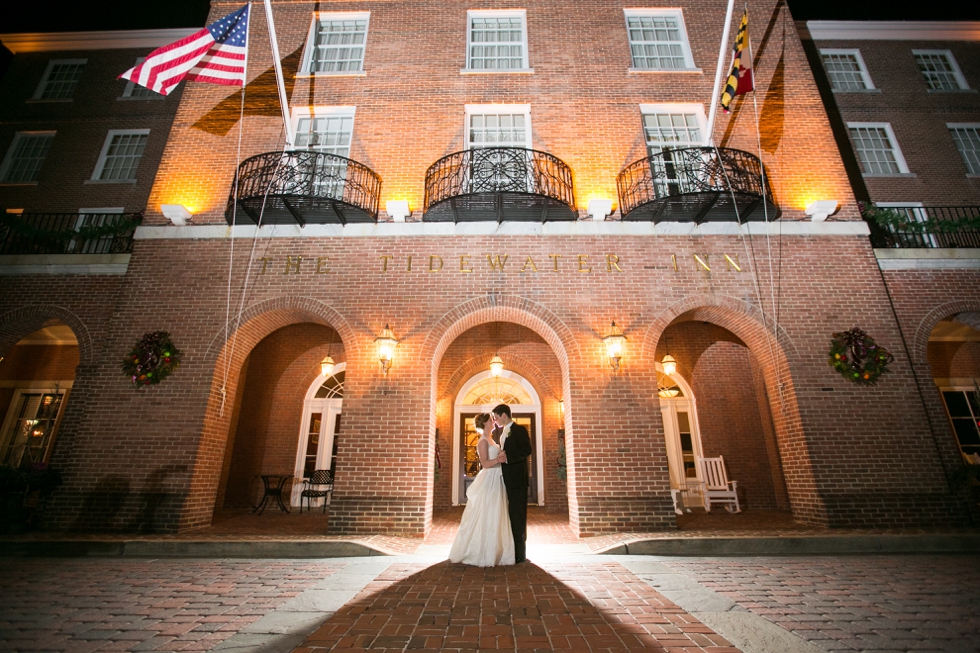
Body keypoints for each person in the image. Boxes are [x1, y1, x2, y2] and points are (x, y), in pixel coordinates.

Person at [448, 413, 515, 567]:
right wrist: (498, 459)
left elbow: (495, 460)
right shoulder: (482, 442)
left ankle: (497, 550)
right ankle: (480, 551)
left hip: (497, 478)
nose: (494, 421)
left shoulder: (492, 439)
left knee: (497, 511)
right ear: (485, 423)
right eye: (491, 420)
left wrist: (502, 456)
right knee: (487, 511)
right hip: (489, 479)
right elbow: (485, 463)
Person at [492, 403, 532, 564]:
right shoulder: (501, 433)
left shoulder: (519, 430)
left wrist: (507, 458)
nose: (495, 421)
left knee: (518, 515)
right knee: (509, 515)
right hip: (505, 480)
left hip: (517, 481)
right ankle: (510, 550)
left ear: (504, 415)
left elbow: (526, 450)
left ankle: (520, 554)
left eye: (496, 417)